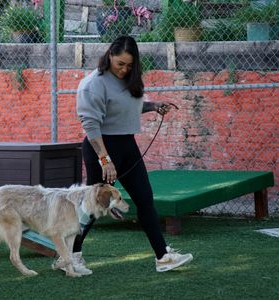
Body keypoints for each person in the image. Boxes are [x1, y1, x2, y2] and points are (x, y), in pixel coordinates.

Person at [69, 35, 193, 275]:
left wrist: (153, 105)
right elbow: (90, 124)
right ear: (110, 56)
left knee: (145, 199)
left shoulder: (129, 80)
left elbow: (127, 107)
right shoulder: (93, 83)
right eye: (120, 64)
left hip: (128, 146)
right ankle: (70, 256)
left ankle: (163, 257)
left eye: (129, 65)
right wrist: (105, 159)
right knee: (94, 206)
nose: (125, 69)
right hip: (101, 148)